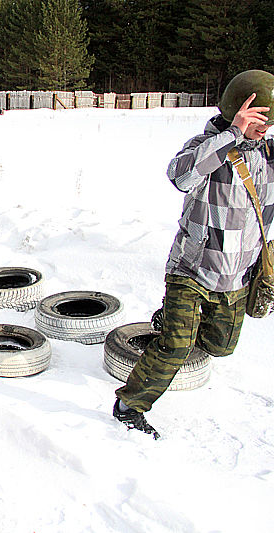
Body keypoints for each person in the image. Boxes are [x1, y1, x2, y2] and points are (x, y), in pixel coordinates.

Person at [113, 69, 274, 439]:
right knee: (175, 347)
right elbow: (180, 176)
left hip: (235, 275)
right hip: (193, 269)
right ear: (237, 110)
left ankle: (167, 320)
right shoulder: (207, 147)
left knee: (221, 346)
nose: (263, 128)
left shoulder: (267, 155)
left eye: (268, 121)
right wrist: (232, 134)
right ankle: (129, 407)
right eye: (257, 120)